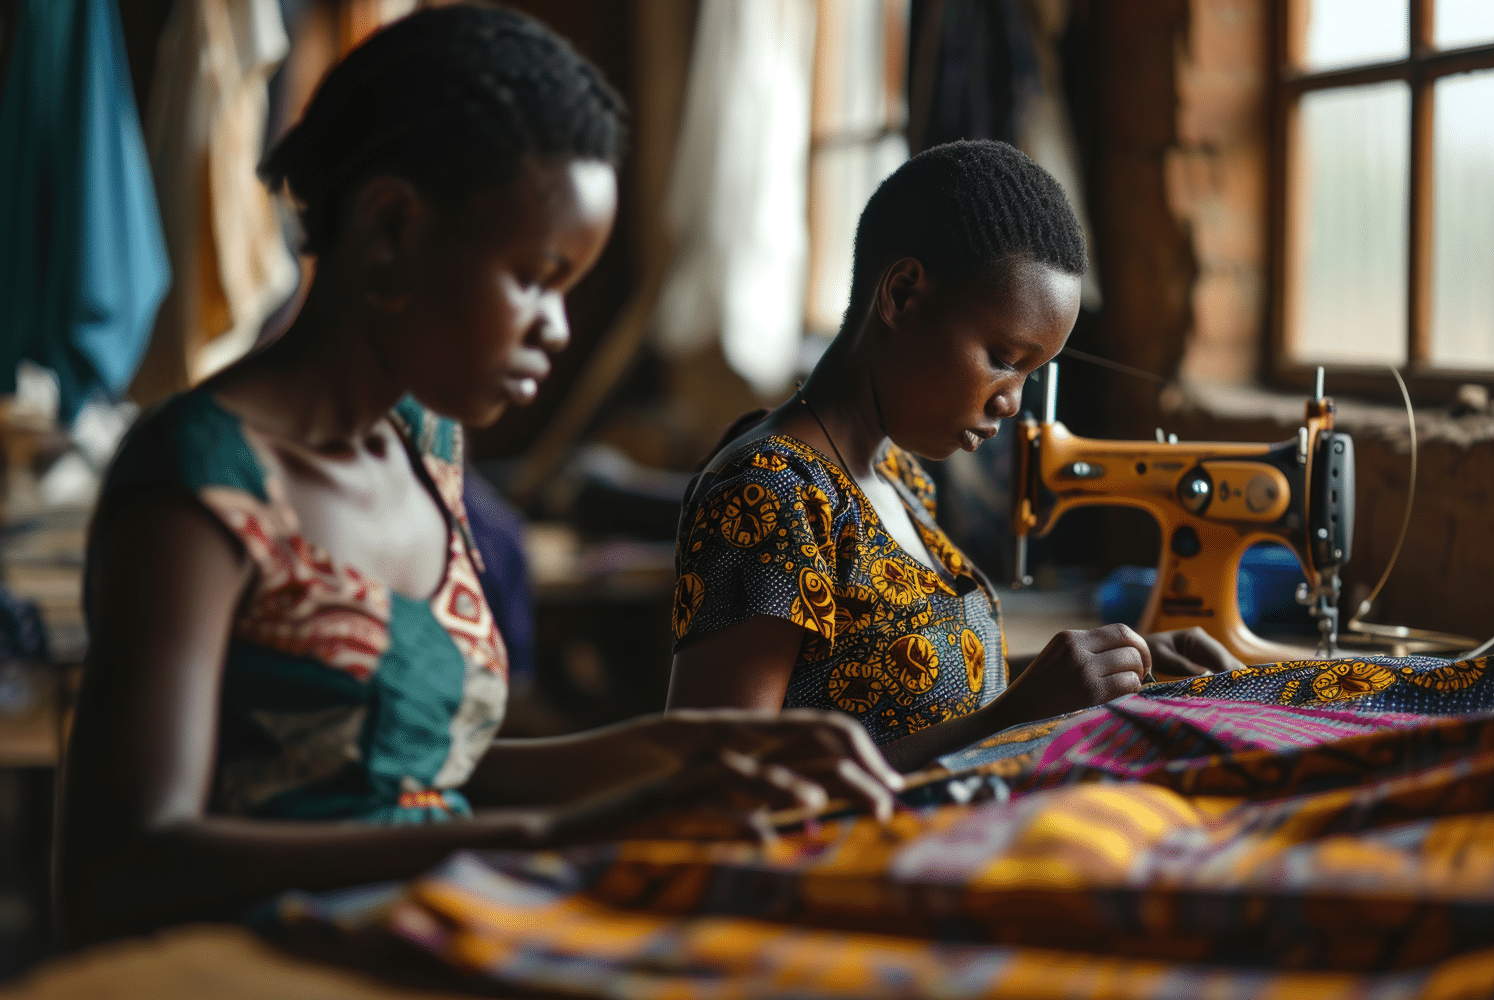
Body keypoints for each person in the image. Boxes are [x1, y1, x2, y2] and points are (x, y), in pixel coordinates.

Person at [57, 6, 899, 949]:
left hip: (431, 934)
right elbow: (124, 866)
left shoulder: (427, 445)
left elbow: (418, 773)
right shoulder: (200, 486)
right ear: (390, 231)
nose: (559, 328)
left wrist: (692, 751)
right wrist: (554, 836)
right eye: (536, 275)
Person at [666, 141, 1241, 772]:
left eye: (1031, 375)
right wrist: (1011, 716)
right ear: (903, 295)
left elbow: (911, 693)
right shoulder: (773, 492)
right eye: (1002, 359)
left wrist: (1116, 666)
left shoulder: (897, 475)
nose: (1011, 403)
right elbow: (718, 774)